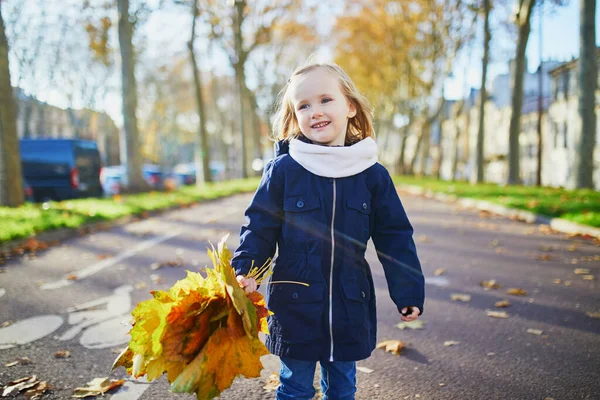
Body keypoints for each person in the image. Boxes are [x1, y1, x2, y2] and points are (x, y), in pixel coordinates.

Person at [232, 60, 425, 400]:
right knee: (294, 387)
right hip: (295, 304)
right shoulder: (285, 170)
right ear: (294, 116)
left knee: (342, 388)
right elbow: (259, 225)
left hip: (350, 305)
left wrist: (408, 291)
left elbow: (394, 236)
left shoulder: (371, 174)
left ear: (350, 106)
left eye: (325, 100)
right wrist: (246, 269)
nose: (315, 111)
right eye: (303, 105)